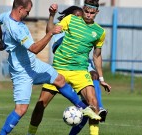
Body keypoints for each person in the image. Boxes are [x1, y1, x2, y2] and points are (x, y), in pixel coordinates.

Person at [0, 0, 100, 134]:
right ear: (20, 9)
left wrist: (3, 39)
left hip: (35, 65)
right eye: (27, 11)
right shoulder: (16, 28)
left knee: (59, 79)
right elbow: (35, 49)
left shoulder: (6, 15)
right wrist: (50, 33)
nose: (28, 14)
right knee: (21, 110)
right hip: (22, 72)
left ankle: (82, 107)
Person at [27, 5, 108, 135]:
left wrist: (100, 76)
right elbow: (50, 31)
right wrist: (51, 16)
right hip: (60, 69)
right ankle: (30, 133)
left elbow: (96, 55)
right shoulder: (65, 29)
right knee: (40, 105)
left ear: (96, 12)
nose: (81, 17)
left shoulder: (97, 31)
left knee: (93, 104)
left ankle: (96, 107)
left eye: (81, 15)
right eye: (78, 15)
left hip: (81, 70)